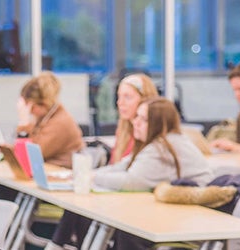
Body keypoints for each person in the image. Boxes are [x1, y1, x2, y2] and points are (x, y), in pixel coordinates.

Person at [49, 97, 215, 249]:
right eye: (137, 117)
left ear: (159, 123)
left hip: (194, 218)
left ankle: (56, 245)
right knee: (91, 215)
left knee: (130, 229)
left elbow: (131, 181)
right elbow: (122, 167)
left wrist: (92, 177)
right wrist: (90, 174)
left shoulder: (164, 147)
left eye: (143, 119)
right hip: (177, 212)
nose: (135, 122)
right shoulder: (155, 143)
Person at [16, 71, 85, 167]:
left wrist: (24, 123)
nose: (29, 112)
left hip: (61, 176)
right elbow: (28, 146)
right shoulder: (45, 118)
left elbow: (31, 155)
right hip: (47, 172)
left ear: (44, 104)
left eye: (31, 107)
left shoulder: (60, 123)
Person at [110, 73, 160, 164]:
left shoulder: (153, 136)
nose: (120, 102)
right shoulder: (122, 131)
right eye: (119, 97)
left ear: (145, 100)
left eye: (127, 97)